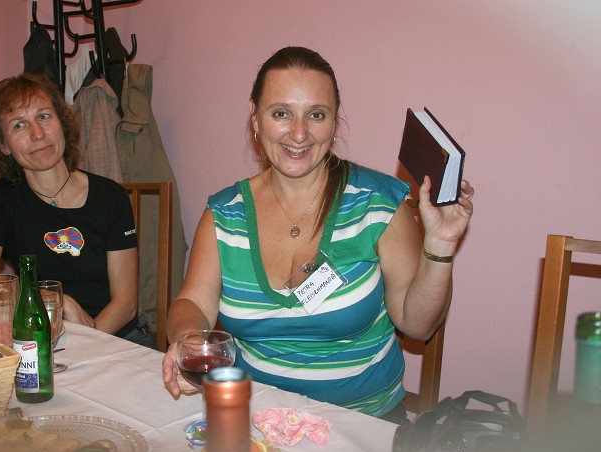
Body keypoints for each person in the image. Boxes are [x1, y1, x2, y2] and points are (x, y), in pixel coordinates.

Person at [162, 47, 475, 421]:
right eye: (281, 113)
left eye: (317, 115)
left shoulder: (377, 205)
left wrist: (440, 244)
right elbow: (193, 303)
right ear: (255, 117)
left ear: (334, 121)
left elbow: (418, 325)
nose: (299, 134)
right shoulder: (224, 215)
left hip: (363, 424)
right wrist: (188, 340)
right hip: (256, 422)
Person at [0, 73, 155, 348]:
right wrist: (52, 298)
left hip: (114, 338)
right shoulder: (1, 200)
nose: (37, 134)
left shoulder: (111, 197)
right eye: (19, 125)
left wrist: (83, 344)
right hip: (41, 341)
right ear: (3, 145)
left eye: (44, 117)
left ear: (62, 122)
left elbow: (126, 304)